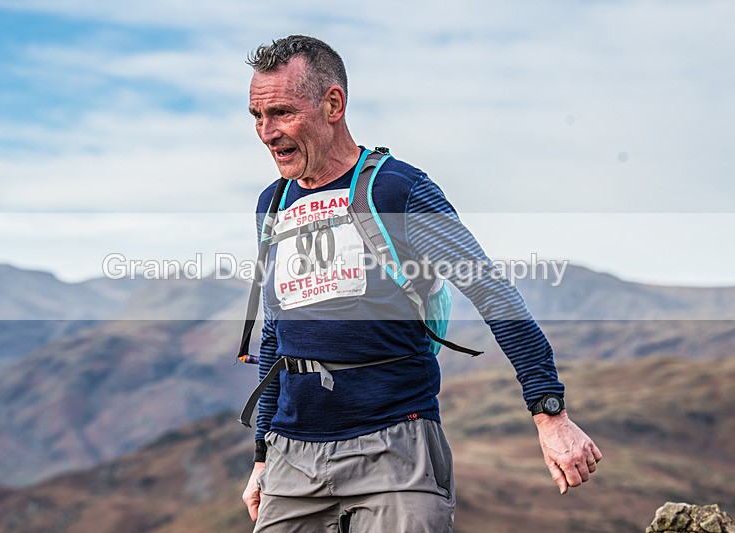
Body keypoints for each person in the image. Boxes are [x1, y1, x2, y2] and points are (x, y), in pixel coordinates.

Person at [241, 35, 601, 532]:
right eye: (257, 117)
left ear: (332, 104)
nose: (266, 132)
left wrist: (550, 413)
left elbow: (492, 293)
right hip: (291, 458)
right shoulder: (272, 203)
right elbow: (275, 333)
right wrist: (262, 455)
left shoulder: (399, 189)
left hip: (396, 449)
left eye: (281, 113)